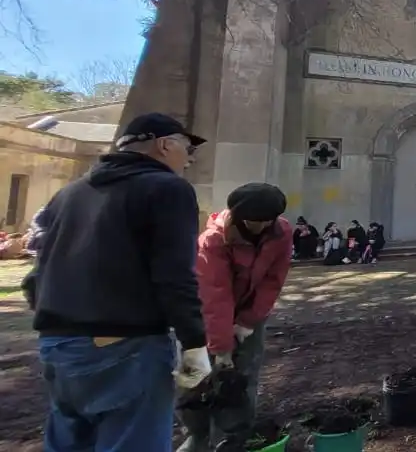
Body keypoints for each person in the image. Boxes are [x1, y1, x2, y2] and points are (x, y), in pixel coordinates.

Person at [21, 113, 211, 451]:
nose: (190, 158)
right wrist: (194, 342)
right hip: (127, 347)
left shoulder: (69, 193)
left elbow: (38, 272)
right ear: (164, 145)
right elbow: (175, 274)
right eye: (186, 147)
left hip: (58, 346)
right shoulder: (168, 188)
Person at [180, 183, 292, 452]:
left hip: (249, 315)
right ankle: (196, 436)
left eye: (269, 220)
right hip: (202, 318)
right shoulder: (213, 241)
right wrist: (221, 348)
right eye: (257, 221)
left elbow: (273, 280)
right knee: (194, 379)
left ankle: (231, 439)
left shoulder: (281, 232)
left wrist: (248, 321)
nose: (263, 226)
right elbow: (214, 294)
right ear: (240, 217)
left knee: (241, 379)